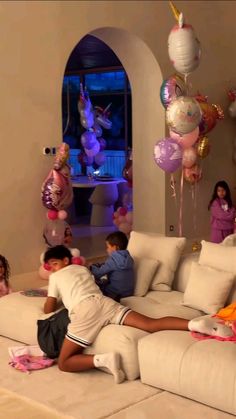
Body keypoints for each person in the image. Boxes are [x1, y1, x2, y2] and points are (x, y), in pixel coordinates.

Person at [43, 245, 234, 384]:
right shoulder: (83, 269)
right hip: (105, 302)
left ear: (65, 260)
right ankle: (195, 325)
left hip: (85, 310)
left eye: (54, 264)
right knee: (151, 324)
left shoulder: (55, 277)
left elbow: (48, 308)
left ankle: (102, 360)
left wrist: (54, 295)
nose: (52, 269)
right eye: (50, 267)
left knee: (64, 362)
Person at [89, 231, 134, 301]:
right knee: (105, 281)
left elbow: (98, 273)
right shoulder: (129, 258)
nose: (107, 250)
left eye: (108, 247)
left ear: (115, 247)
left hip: (115, 294)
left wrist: (92, 267)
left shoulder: (113, 260)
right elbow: (113, 266)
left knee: (96, 283)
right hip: (128, 293)